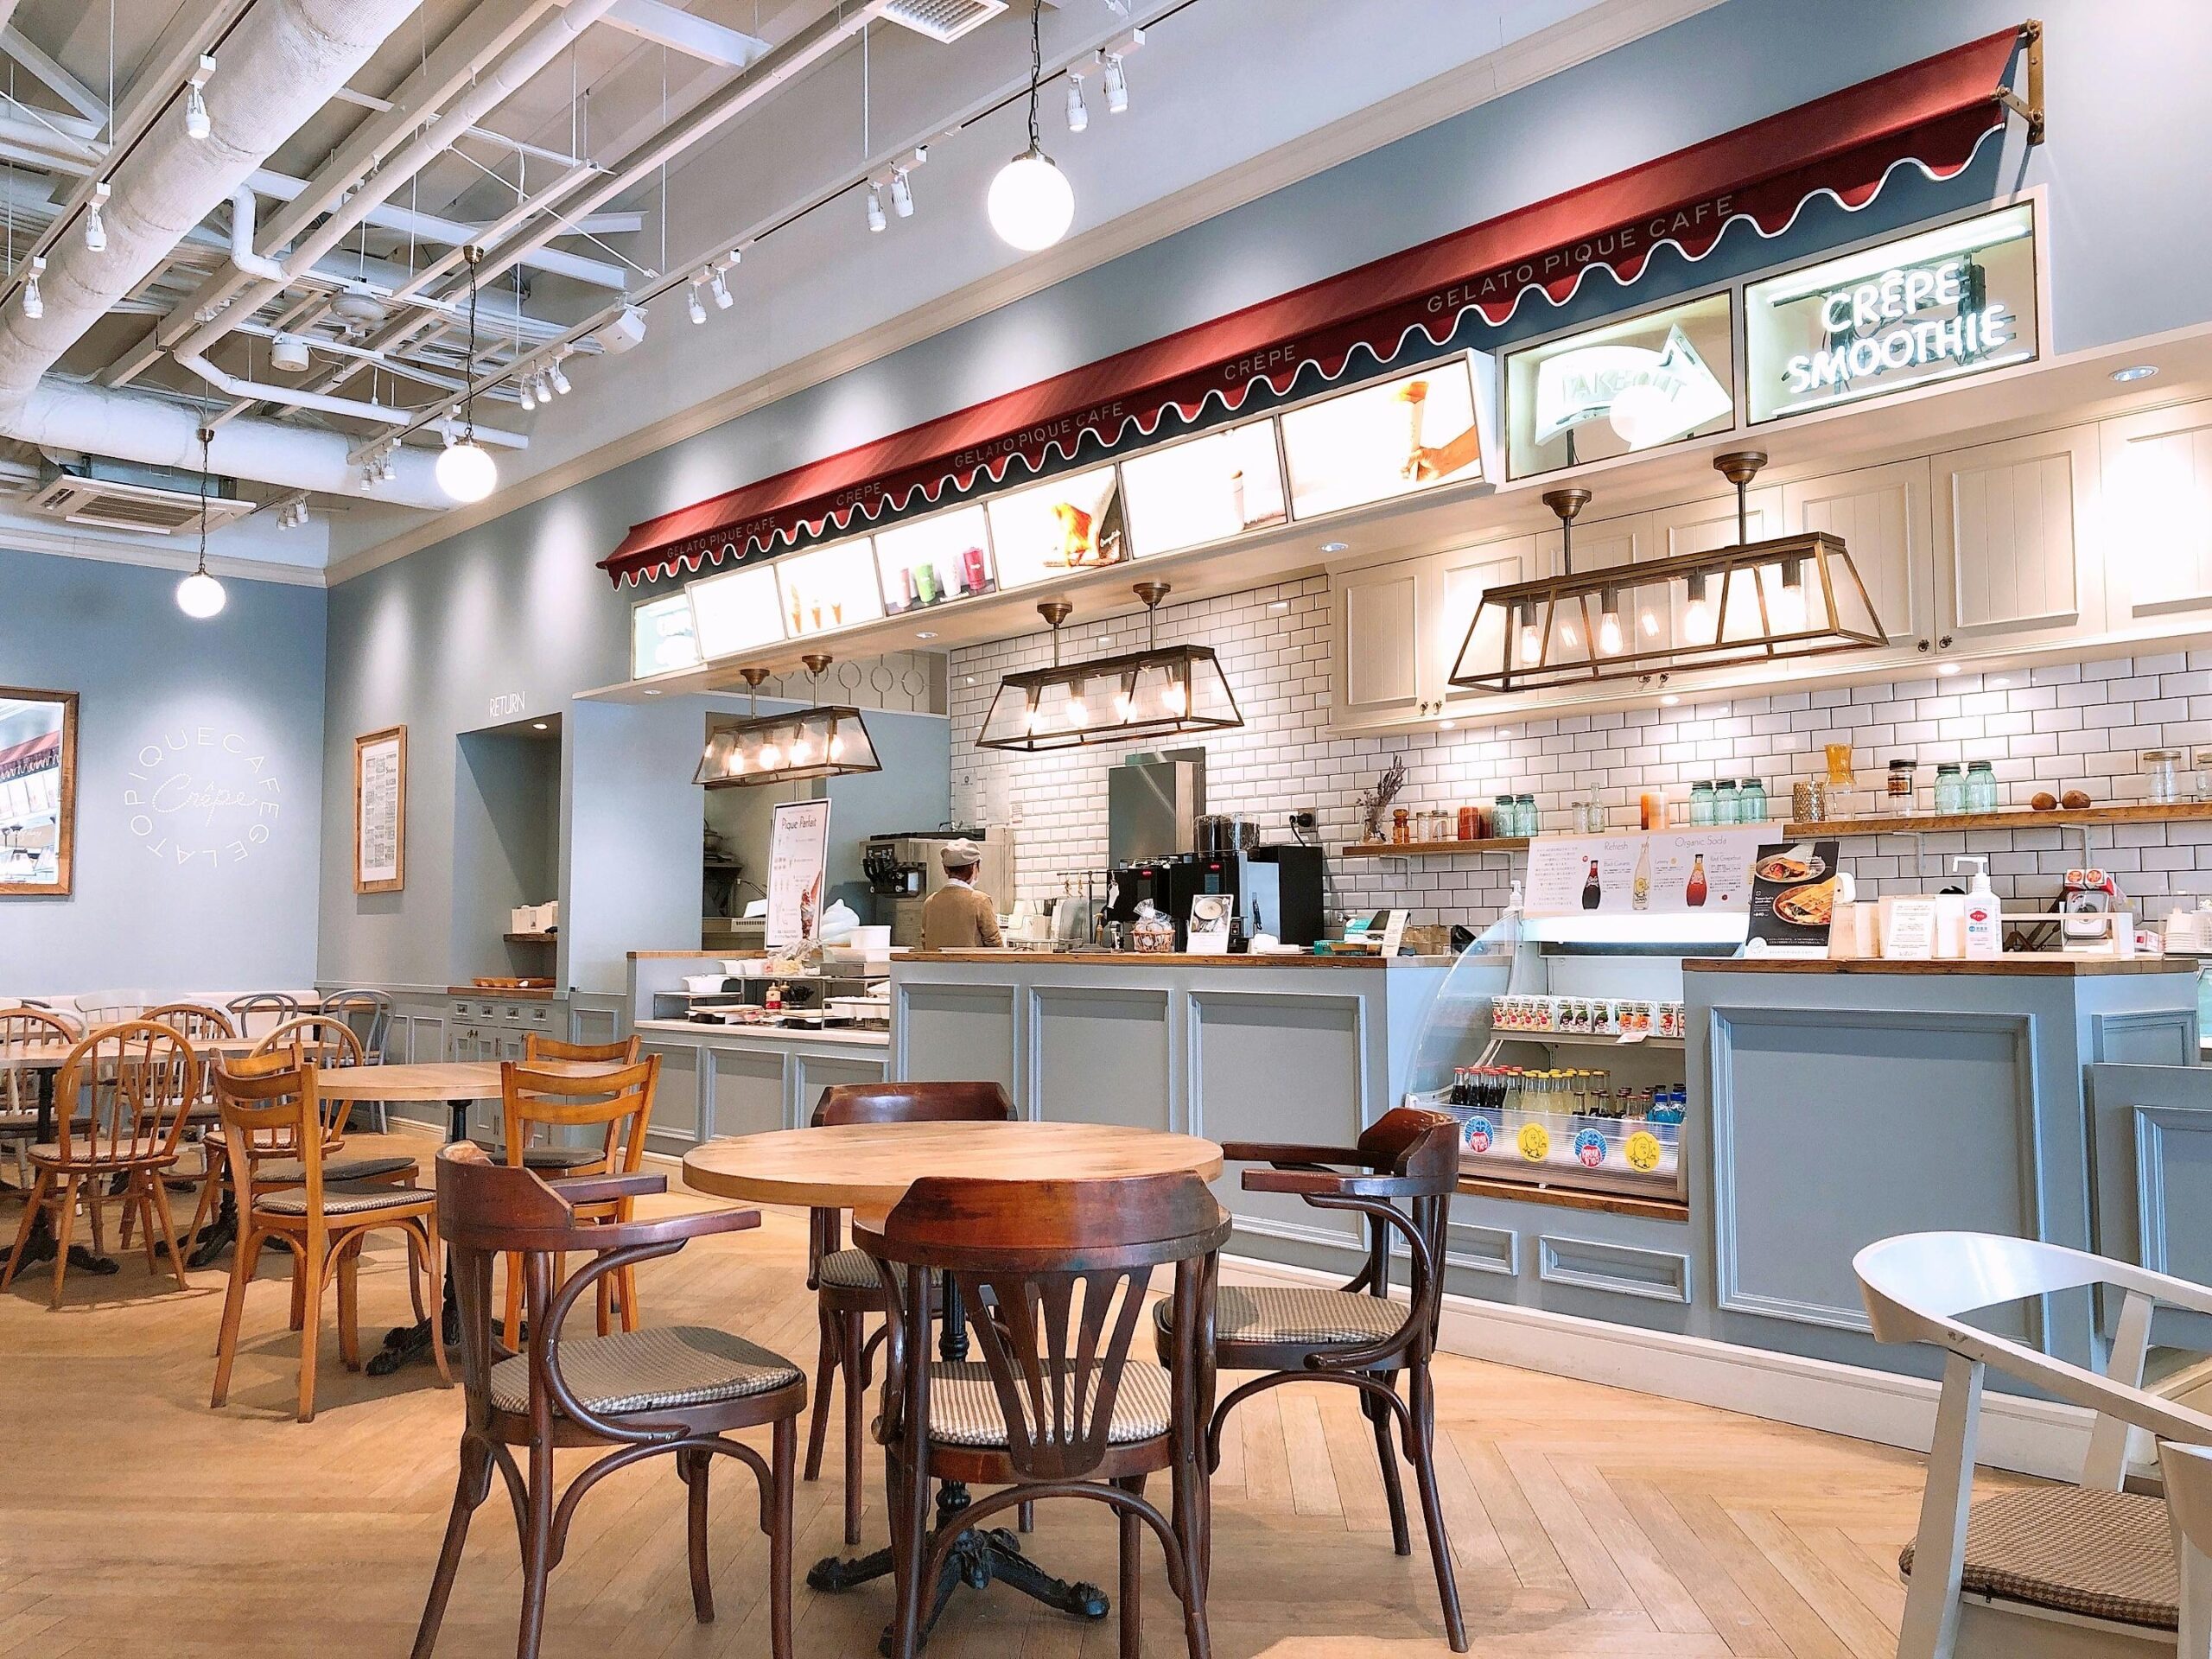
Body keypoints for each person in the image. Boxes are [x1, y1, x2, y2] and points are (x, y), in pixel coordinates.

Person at [920, 837, 1002, 949]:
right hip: (971, 965)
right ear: (974, 867)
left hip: (936, 966)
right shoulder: (980, 901)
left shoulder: (930, 902)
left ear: (946, 869)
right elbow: (994, 944)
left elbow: (925, 941)